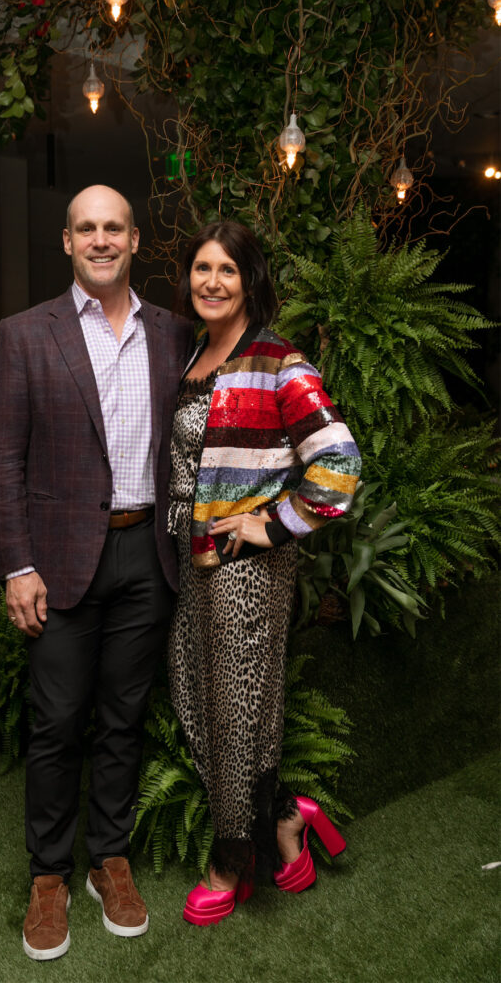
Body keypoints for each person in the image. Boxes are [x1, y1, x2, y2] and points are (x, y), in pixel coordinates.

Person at [0, 185, 194, 961]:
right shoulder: (24, 333)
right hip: (59, 560)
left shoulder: (173, 333)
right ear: (67, 242)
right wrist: (18, 565)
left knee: (123, 718)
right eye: (86, 229)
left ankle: (109, 859)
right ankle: (48, 877)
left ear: (134, 240)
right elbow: (0, 458)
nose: (100, 239)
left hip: (147, 555)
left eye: (114, 228)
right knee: (57, 723)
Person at [167, 221, 361, 925]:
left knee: (234, 712)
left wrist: (273, 525)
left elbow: (338, 462)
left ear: (249, 280)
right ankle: (283, 816)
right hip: (196, 561)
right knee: (195, 695)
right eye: (201, 268)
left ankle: (231, 860)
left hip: (247, 571)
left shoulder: (277, 359)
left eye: (227, 269)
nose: (212, 281)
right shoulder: (198, 352)